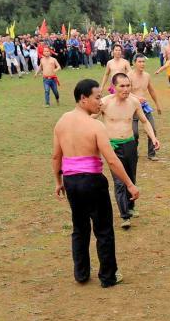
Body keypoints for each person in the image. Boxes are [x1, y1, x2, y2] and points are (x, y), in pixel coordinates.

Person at [52, 79, 139, 287]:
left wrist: (58, 181)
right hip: (92, 182)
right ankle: (108, 276)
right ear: (83, 99)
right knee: (103, 230)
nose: (100, 102)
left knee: (79, 228)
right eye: (97, 97)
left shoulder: (61, 121)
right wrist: (129, 184)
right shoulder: (95, 125)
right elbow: (111, 159)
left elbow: (56, 156)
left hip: (71, 181)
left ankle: (81, 273)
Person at [99, 73, 159, 229]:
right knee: (119, 181)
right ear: (114, 87)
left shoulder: (134, 102)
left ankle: (131, 206)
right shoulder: (104, 103)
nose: (126, 89)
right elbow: (89, 119)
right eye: (122, 86)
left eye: (128, 86)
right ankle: (125, 215)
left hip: (130, 144)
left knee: (131, 177)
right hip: (113, 147)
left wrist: (153, 138)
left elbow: (145, 122)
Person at [129, 55, 162, 162]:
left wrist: (157, 104)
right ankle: (134, 152)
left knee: (152, 129)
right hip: (132, 107)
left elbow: (151, 90)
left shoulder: (147, 76)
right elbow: (125, 93)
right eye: (139, 62)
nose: (142, 64)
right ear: (134, 63)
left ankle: (151, 153)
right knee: (134, 133)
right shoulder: (129, 76)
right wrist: (137, 98)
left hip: (144, 107)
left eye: (143, 62)